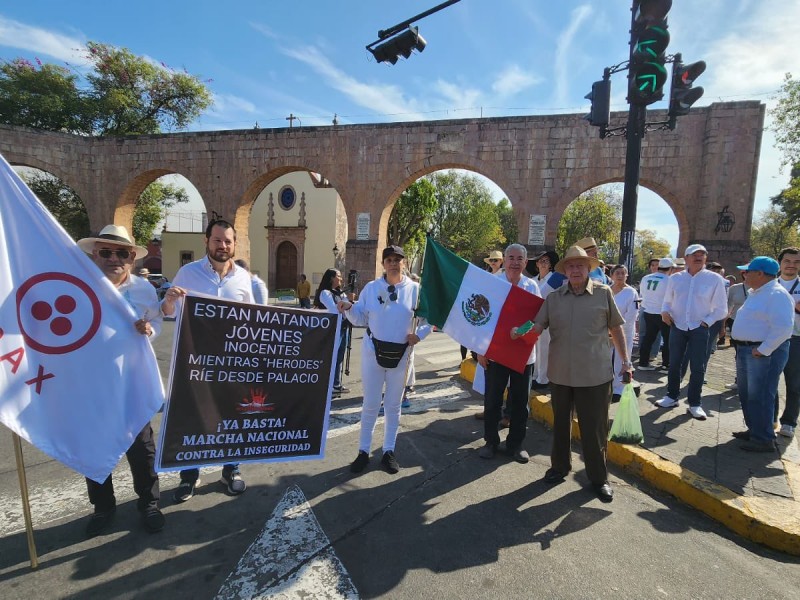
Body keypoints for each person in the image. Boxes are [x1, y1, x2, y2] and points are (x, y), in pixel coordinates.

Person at [523, 245, 632, 502]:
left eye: (579, 266)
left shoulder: (603, 293)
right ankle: (559, 467)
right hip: (560, 374)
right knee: (560, 426)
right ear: (565, 270)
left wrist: (626, 362)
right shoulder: (554, 298)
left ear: (588, 268)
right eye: (570, 266)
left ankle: (598, 478)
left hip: (594, 375)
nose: (574, 270)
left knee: (594, 430)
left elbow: (617, 329)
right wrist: (519, 333)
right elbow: (538, 325)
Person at [77, 225, 164, 537]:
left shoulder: (143, 290)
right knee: (96, 448)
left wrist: (149, 330)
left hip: (132, 384)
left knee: (142, 449)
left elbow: (157, 322)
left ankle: (150, 503)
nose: (114, 258)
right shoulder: (79, 287)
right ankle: (103, 507)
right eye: (106, 252)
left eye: (122, 253)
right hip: (93, 386)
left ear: (131, 257)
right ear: (95, 255)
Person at [161, 219, 253, 501]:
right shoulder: (187, 273)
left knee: (230, 417)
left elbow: (251, 319)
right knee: (193, 418)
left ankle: (231, 470)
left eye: (227, 241)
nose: (222, 246)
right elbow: (169, 313)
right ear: (206, 241)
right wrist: (168, 300)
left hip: (231, 364)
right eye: (217, 240)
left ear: (234, 244)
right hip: (196, 362)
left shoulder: (242, 278)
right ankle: (189, 476)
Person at [337, 245, 431, 474]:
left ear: (404, 262)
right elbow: (360, 317)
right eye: (389, 259)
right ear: (383, 263)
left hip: (401, 355)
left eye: (397, 259)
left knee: (393, 405)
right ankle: (363, 451)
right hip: (373, 352)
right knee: (370, 404)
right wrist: (348, 308)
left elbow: (430, 318)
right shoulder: (371, 288)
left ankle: (388, 451)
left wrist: (418, 335)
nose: (393, 263)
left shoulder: (416, 290)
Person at [477, 244, 541, 464]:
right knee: (493, 400)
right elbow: (481, 318)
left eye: (519, 258)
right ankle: (491, 442)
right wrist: (480, 350)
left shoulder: (532, 286)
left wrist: (520, 332)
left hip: (524, 355)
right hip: (495, 354)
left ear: (525, 262)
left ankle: (516, 445)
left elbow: (538, 318)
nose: (515, 262)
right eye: (511, 257)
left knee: (520, 402)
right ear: (504, 260)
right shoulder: (494, 283)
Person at [657, 244, 728, 420]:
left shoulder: (714, 279)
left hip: (700, 328)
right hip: (677, 325)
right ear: (686, 258)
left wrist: (707, 322)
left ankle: (694, 403)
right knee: (674, 363)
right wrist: (665, 312)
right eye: (694, 254)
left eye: (702, 254)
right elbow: (667, 301)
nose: (698, 257)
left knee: (698, 366)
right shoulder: (675, 278)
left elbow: (722, 309)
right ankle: (672, 396)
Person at [730, 257, 794, 452]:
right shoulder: (758, 292)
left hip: (761, 353)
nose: (745, 274)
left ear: (760, 274)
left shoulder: (776, 294)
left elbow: (784, 327)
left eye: (748, 271)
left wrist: (764, 349)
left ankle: (763, 438)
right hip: (748, 350)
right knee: (748, 394)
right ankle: (755, 430)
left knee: (761, 395)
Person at [314, 268, 353, 397]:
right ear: (331, 278)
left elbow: (349, 309)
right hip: (332, 329)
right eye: (339, 276)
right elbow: (334, 310)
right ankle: (328, 385)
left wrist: (350, 302)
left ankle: (336, 384)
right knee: (332, 356)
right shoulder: (325, 293)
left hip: (343, 327)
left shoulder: (339, 293)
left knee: (339, 356)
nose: (341, 279)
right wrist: (345, 305)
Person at [531, 250, 566, 391]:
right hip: (534, 318)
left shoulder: (555, 279)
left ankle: (543, 378)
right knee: (536, 348)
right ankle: (535, 375)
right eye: (540, 261)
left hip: (549, 318)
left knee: (545, 348)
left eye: (546, 261)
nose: (543, 263)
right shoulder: (533, 280)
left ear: (551, 264)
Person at [775, 247, 800, 438]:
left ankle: (789, 422)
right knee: (769, 383)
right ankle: (770, 418)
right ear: (780, 263)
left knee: (794, 384)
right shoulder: (769, 284)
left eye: (796, 262)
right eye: (787, 261)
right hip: (771, 339)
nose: (791, 265)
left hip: (795, 340)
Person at [609, 264, 640, 402]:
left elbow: (631, 316)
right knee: (607, 358)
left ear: (627, 275)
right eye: (618, 273)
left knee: (621, 359)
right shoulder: (607, 291)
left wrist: (616, 329)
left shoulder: (631, 293)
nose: (620, 276)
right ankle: (608, 384)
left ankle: (618, 389)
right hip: (606, 332)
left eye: (623, 273)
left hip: (624, 331)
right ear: (612, 275)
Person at [638, 258, 674, 371]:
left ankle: (643, 362)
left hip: (648, 311)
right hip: (663, 313)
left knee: (648, 337)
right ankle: (666, 364)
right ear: (670, 269)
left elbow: (642, 293)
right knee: (668, 339)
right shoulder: (669, 280)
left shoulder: (646, 278)